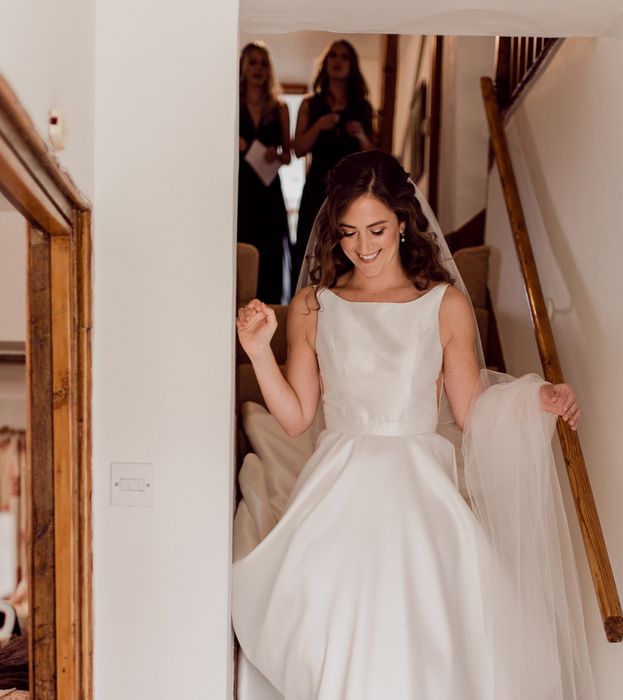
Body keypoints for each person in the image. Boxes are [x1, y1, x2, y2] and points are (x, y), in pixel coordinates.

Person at [233, 150, 596, 699]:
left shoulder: (444, 305)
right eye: (349, 231)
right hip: (338, 486)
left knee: (432, 635)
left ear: (403, 222)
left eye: (376, 228)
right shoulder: (314, 305)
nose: (362, 245)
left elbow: (473, 412)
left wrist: (535, 399)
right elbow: (296, 417)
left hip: (420, 488)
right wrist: (259, 351)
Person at [290, 40, 375, 292]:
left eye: (344, 57)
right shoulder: (310, 104)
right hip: (317, 187)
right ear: (325, 64)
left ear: (352, 66)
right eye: (333, 56)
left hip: (352, 190)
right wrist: (319, 126)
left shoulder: (362, 107)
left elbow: (375, 155)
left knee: (347, 244)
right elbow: (298, 149)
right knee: (312, 244)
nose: (337, 61)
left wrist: (360, 135)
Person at [237, 41, 291, 304]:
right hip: (240, 188)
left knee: (269, 252)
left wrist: (276, 154)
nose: (258, 68)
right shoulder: (232, 103)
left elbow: (288, 155)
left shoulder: (279, 108)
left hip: (268, 191)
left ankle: (267, 310)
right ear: (243, 67)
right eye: (253, 62)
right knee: (241, 244)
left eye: (262, 63)